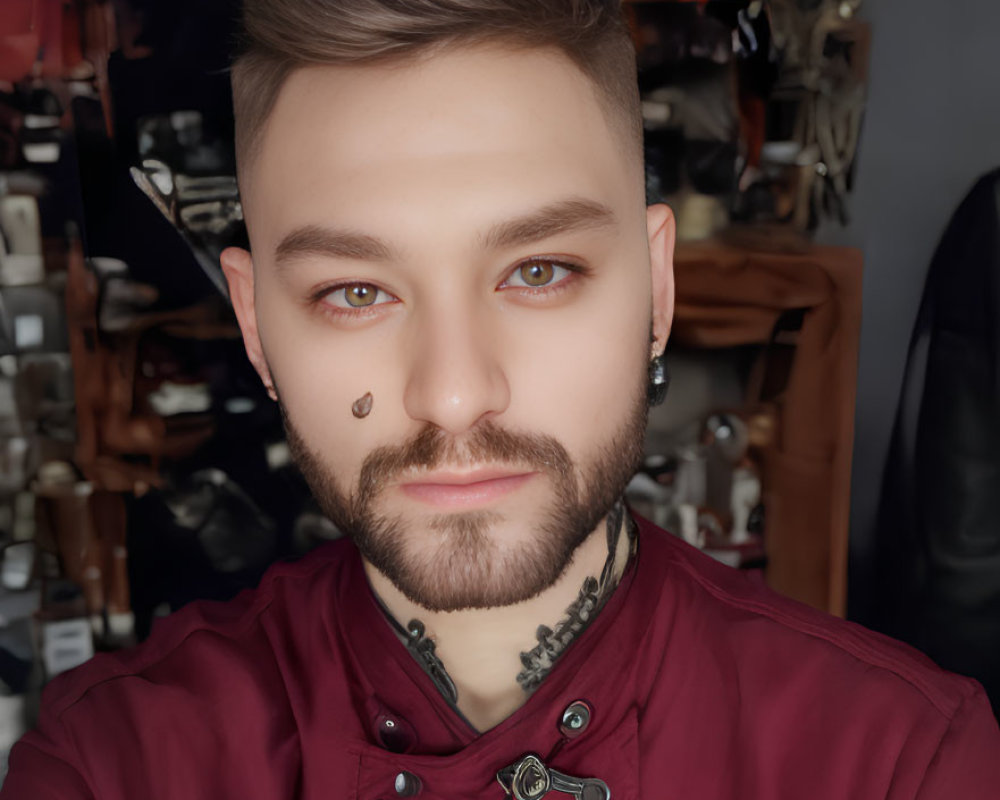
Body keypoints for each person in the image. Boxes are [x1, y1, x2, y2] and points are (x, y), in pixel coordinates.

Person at [4, 1, 999, 797]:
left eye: (538, 271)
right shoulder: (113, 764)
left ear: (654, 292)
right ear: (259, 327)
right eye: (357, 291)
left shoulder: (898, 762)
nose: (452, 391)